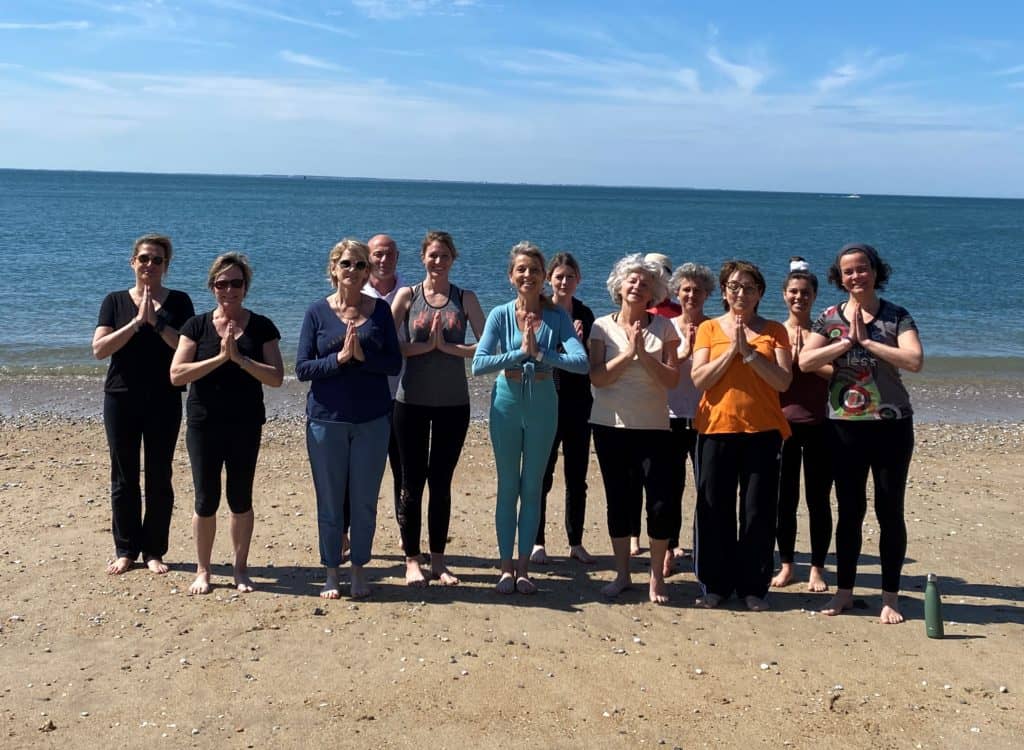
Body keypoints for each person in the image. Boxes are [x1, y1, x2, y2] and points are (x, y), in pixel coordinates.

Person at [798, 243, 923, 624]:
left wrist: (868, 342)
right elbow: (805, 361)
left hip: (891, 425)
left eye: (862, 268)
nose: (856, 276)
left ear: (874, 271)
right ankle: (845, 593)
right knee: (849, 511)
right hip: (844, 426)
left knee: (890, 510)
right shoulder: (829, 317)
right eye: (848, 271)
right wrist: (845, 343)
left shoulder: (896, 316)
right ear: (840, 277)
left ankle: (890, 596)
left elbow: (915, 360)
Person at [472, 242, 588, 594]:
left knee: (532, 487)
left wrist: (544, 354)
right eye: (521, 269)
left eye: (534, 270)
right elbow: (478, 364)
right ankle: (505, 567)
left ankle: (524, 568)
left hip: (543, 402)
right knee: (508, 487)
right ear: (511, 276)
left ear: (543, 278)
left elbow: (581, 363)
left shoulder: (556, 317)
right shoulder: (500, 314)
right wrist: (518, 353)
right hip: (507, 401)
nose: (528, 275)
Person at [170, 253, 284, 595]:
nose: (229, 289)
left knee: (240, 497)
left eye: (236, 283)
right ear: (212, 287)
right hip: (204, 424)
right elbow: (176, 374)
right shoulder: (196, 326)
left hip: (245, 424)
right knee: (205, 499)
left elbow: (276, 377)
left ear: (245, 287)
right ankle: (203, 569)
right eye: (222, 283)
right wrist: (220, 358)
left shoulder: (262, 326)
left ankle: (240, 568)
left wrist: (240, 358)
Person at [296, 238, 402, 599]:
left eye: (359, 265)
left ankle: (358, 571)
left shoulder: (380, 312)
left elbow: (393, 363)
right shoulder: (316, 313)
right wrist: (339, 360)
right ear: (333, 270)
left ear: (367, 271)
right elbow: (302, 368)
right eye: (346, 264)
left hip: (372, 420)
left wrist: (362, 358)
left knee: (364, 502)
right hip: (326, 421)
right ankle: (330, 573)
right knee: (329, 501)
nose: (353, 271)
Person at [691, 260, 792, 611]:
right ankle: (715, 585)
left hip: (762, 431)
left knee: (757, 511)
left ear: (760, 294)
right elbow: (700, 379)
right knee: (714, 509)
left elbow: (782, 381)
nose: (741, 293)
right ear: (723, 292)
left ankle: (753, 587)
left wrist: (748, 352)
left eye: (749, 287)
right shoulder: (708, 329)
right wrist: (731, 351)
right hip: (716, 428)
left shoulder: (774, 331)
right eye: (734, 286)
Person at [93, 234, 195, 575]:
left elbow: (186, 347)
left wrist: (157, 320)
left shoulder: (179, 301)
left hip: (164, 398)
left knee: (158, 474)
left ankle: (153, 550)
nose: (150, 265)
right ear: (133, 262)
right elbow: (99, 348)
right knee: (123, 476)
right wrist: (137, 323)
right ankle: (125, 549)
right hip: (120, 397)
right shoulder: (115, 301)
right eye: (144, 259)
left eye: (158, 260)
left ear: (166, 266)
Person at [390, 231, 485, 587]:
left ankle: (439, 562)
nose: (438, 261)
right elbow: (386, 340)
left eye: (444, 255)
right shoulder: (408, 295)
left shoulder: (465, 297)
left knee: (441, 482)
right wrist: (421, 348)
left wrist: (448, 349)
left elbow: (485, 345)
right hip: (410, 401)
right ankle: (412, 560)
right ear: (422, 258)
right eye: (432, 255)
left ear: (452, 259)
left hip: (453, 404)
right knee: (411, 483)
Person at [589, 254, 680, 603]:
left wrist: (644, 355)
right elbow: (598, 377)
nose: (637, 285)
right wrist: (629, 354)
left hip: (653, 427)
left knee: (658, 504)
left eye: (645, 282)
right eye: (631, 280)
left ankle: (656, 578)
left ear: (653, 291)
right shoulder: (601, 327)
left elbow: (672, 379)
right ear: (619, 285)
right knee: (619, 500)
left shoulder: (665, 328)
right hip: (610, 424)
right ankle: (623, 573)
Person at [771, 257, 834, 592]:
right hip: (781, 427)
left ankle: (818, 568)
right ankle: (786, 565)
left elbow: (838, 375)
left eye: (805, 292)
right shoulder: (774, 332)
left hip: (820, 425)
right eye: (793, 292)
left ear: (814, 295)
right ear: (784, 295)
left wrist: (805, 361)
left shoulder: (823, 333)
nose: (799, 297)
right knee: (784, 500)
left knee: (818, 499)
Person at [341, 233, 405, 562]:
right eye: (377, 254)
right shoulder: (352, 290)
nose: (383, 260)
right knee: (352, 471)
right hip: (361, 400)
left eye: (389, 254)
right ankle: (345, 533)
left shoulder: (409, 293)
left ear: (397, 257)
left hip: (404, 395)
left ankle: (404, 532)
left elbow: (399, 350)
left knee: (402, 470)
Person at [531, 252, 596, 565]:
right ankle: (537, 542)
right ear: (549, 280)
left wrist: (578, 345)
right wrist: (561, 347)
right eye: (559, 276)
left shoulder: (584, 312)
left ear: (578, 280)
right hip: (546, 398)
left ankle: (576, 541)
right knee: (542, 474)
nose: (564, 281)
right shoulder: (541, 310)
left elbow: (588, 363)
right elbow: (533, 353)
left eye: (570, 276)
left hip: (579, 403)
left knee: (577, 476)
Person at [663, 262, 716, 575]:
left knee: (707, 490)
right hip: (668, 418)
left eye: (698, 290)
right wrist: (685, 351)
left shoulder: (715, 328)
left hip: (705, 419)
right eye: (686, 289)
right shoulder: (665, 327)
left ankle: (704, 552)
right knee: (668, 489)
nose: (691, 295)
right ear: (676, 292)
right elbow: (657, 372)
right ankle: (668, 547)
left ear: (707, 294)